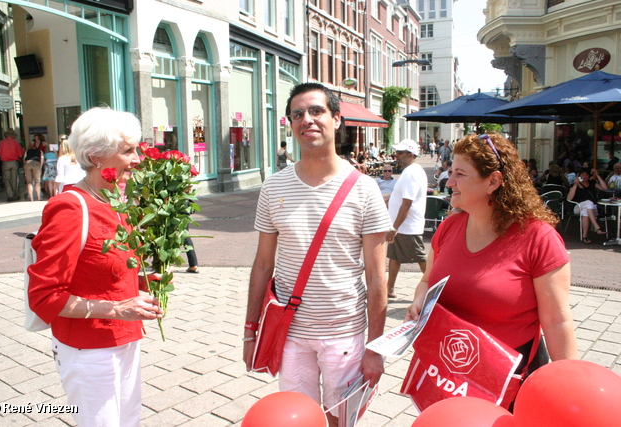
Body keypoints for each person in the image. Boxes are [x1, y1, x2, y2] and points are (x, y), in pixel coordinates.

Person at [242, 82, 390, 427]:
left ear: (337, 119)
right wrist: (251, 332)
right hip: (290, 331)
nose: (306, 120)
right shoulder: (273, 186)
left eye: (316, 111)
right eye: (297, 114)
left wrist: (376, 348)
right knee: (297, 419)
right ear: (290, 124)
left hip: (345, 332)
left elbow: (376, 276)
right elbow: (263, 264)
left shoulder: (364, 189)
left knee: (340, 421)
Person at [406, 133, 578, 385]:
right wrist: (419, 301)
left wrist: (571, 385)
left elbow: (557, 321)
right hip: (447, 374)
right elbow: (426, 281)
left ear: (493, 181)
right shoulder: (448, 228)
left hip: (509, 380)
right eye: (450, 171)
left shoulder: (538, 238)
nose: (449, 182)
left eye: (460, 174)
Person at [28, 107, 163, 426]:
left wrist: (147, 282)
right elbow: (45, 297)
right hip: (89, 349)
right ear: (95, 156)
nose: (138, 159)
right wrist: (117, 309)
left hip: (125, 339)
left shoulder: (117, 204)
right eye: (128, 150)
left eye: (137, 149)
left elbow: (110, 270)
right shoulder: (71, 209)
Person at [386, 139, 428, 298]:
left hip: (407, 226)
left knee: (420, 258)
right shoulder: (409, 171)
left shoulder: (412, 173)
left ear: (410, 155)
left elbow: (407, 203)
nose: (396, 155)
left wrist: (394, 228)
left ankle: (435, 288)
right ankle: (389, 289)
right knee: (394, 257)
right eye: (396, 152)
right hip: (403, 226)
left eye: (400, 153)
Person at [567, 168, 608, 243]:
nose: (584, 176)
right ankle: (597, 227)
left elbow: (605, 188)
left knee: (586, 211)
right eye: (582, 174)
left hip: (591, 209)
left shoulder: (592, 183)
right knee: (588, 203)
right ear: (579, 176)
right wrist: (576, 184)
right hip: (578, 206)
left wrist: (597, 175)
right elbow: (569, 198)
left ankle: (584, 237)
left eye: (586, 175)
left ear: (589, 176)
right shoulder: (575, 185)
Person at [0, 128, 24, 202]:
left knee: (6, 179)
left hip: (5, 163)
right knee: (14, 179)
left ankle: (10, 195)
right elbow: (20, 154)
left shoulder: (1, 143)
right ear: (13, 136)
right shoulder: (16, 143)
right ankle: (15, 194)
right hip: (14, 162)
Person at [24, 134, 45, 201]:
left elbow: (24, 159)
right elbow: (42, 158)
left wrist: (24, 167)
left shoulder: (27, 151)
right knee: (37, 182)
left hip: (28, 163)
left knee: (29, 182)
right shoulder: (39, 151)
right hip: (36, 163)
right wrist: (40, 166)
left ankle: (31, 198)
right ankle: (39, 197)